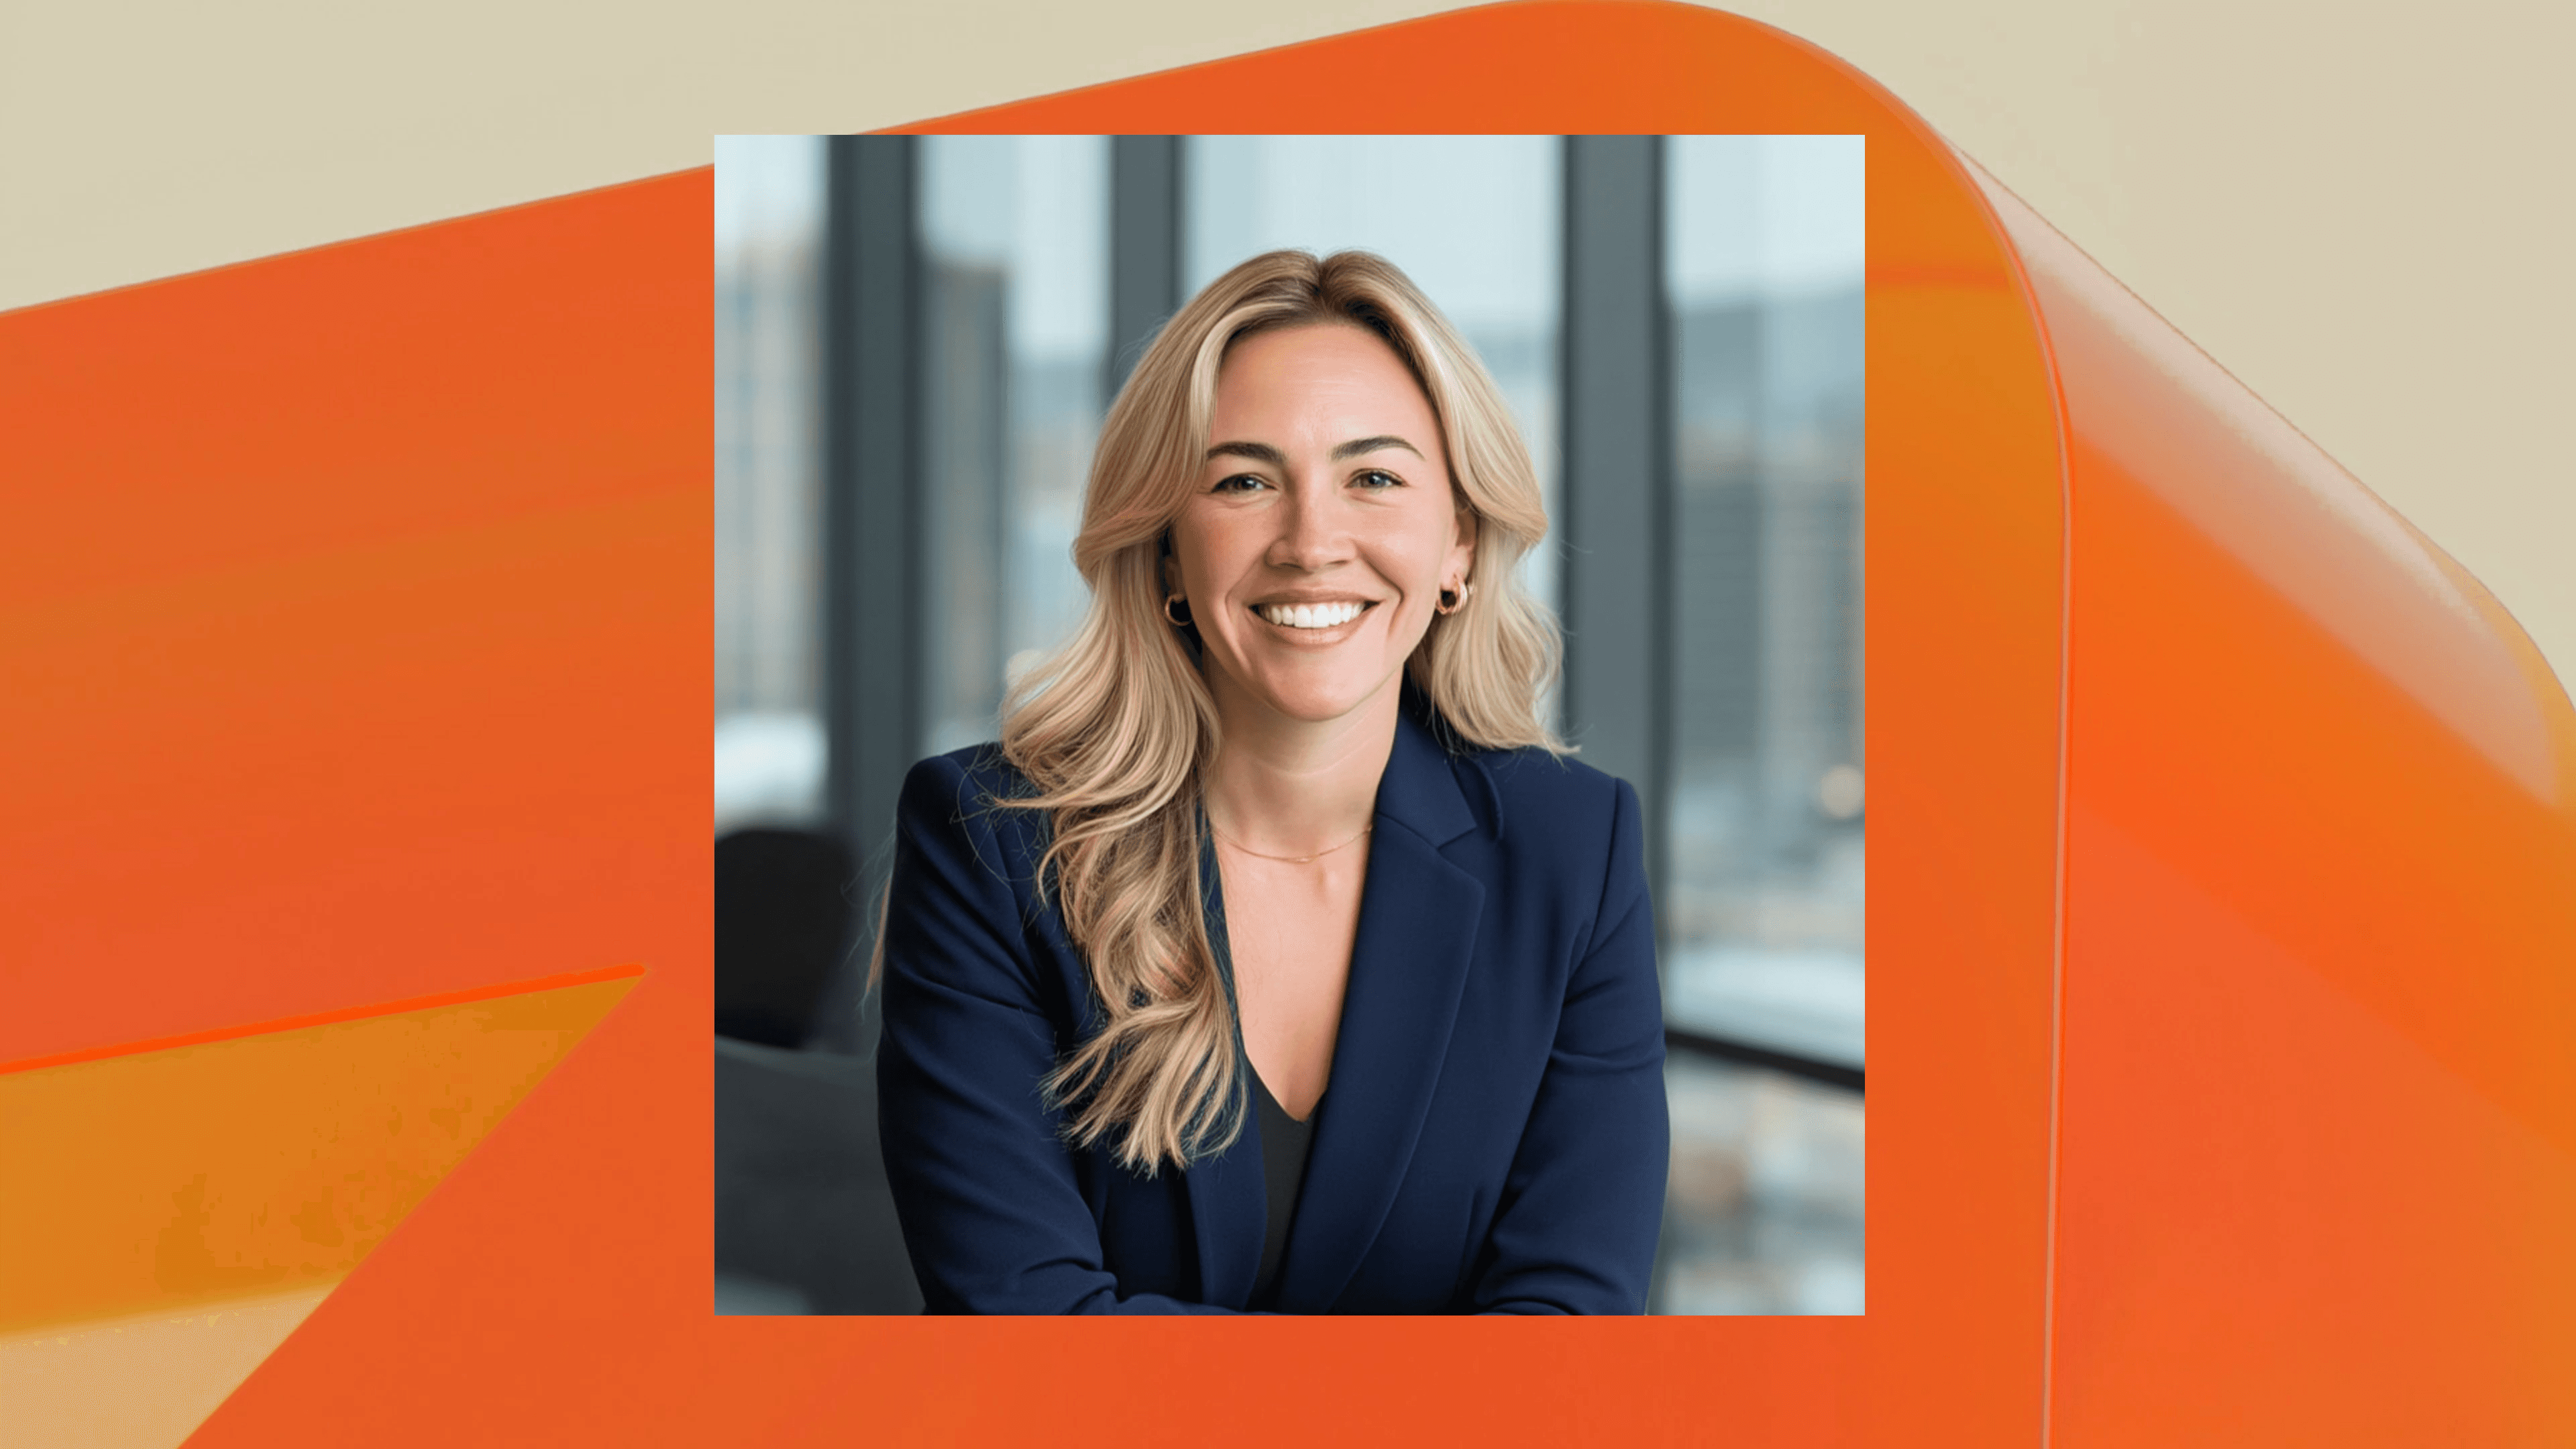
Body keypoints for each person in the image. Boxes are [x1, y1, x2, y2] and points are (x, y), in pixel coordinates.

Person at [873, 249, 1668, 1314]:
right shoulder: (993, 843)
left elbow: (1567, 1342)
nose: (1310, 542)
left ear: (1460, 548)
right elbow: (1029, 1339)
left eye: (1374, 479)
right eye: (1245, 481)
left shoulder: (1572, 850)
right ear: (1163, 551)